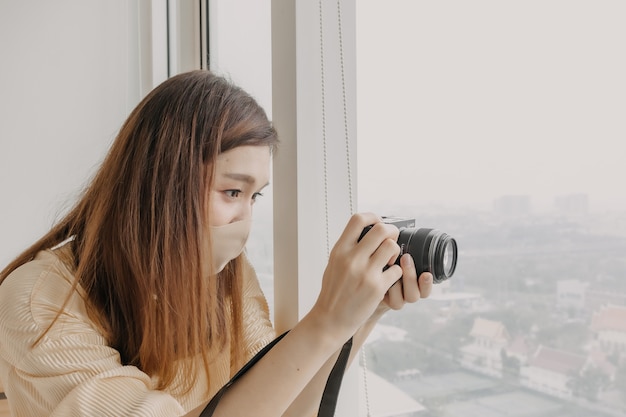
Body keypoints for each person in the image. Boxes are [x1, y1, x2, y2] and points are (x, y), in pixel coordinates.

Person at [0, 70, 433, 417]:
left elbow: (282, 407)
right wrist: (324, 322)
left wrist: (359, 318)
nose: (245, 218)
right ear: (161, 182)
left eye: (254, 196)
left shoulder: (226, 275)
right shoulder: (37, 302)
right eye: (231, 192)